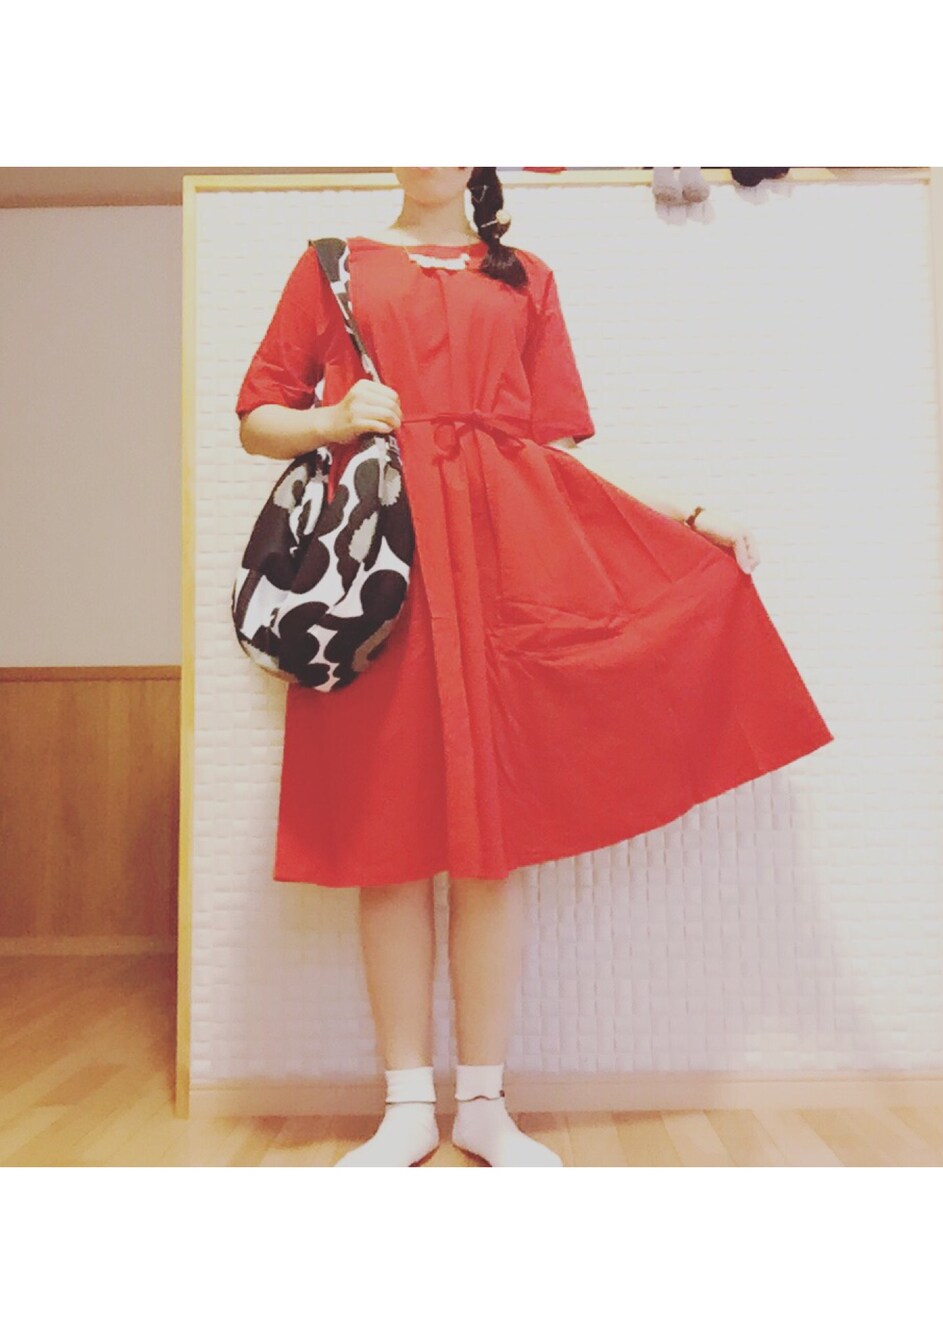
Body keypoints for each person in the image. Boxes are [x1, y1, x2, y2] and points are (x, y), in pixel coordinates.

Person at [235, 167, 834, 1167]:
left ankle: (482, 1104)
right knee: (387, 839)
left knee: (490, 843)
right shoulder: (330, 266)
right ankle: (402, 1108)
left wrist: (684, 514)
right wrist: (335, 419)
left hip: (502, 566)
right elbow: (259, 417)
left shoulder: (525, 276)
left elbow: (551, 449)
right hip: (377, 577)